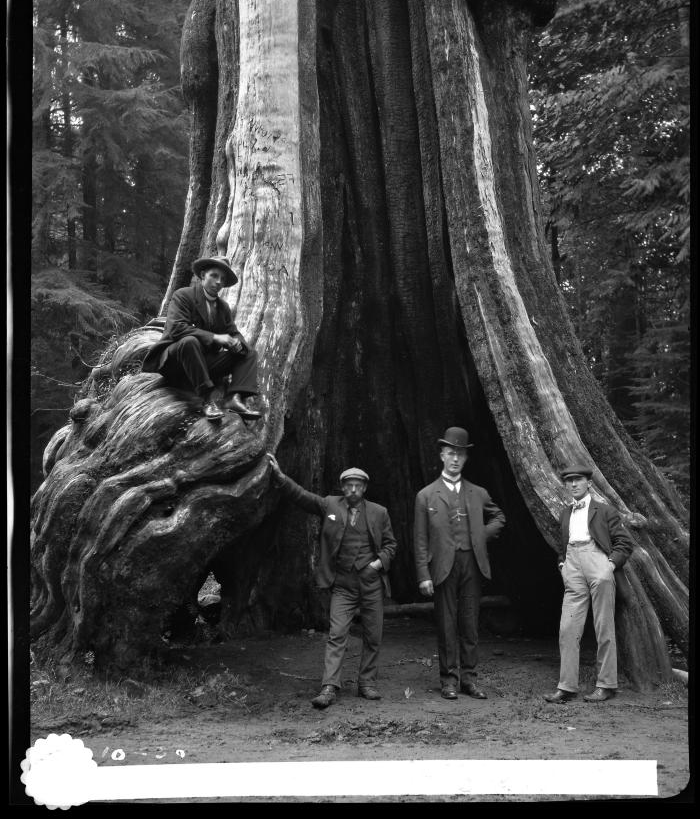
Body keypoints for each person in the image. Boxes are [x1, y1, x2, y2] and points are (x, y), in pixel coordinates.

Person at [267, 454, 397, 709]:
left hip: (371, 583)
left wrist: (378, 562)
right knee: (337, 634)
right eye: (348, 485)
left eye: (358, 485)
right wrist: (281, 478)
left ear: (365, 488)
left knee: (373, 635)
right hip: (343, 584)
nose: (353, 489)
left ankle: (367, 683)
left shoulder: (379, 512)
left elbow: (392, 544)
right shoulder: (330, 505)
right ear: (342, 487)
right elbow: (303, 497)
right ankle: (329, 686)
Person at [414, 426, 505, 700]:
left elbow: (499, 517)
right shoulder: (426, 495)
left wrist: (480, 535)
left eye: (461, 455)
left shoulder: (478, 492)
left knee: (469, 623)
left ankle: (469, 679)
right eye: (451, 453)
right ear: (442, 455)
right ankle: (449, 680)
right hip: (442, 566)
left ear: (466, 459)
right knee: (446, 624)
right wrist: (423, 574)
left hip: (472, 564)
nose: (455, 459)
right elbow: (419, 539)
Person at [544, 461, 635, 704]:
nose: (573, 484)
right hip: (573, 565)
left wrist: (609, 566)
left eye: (578, 480)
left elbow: (625, 543)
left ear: (588, 483)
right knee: (567, 628)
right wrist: (563, 565)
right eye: (569, 481)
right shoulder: (565, 513)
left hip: (599, 563)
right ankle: (567, 687)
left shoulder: (605, 511)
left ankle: (606, 685)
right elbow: (562, 545)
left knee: (603, 626)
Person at [142, 255, 261, 421]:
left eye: (222, 278)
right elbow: (177, 328)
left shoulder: (223, 307)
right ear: (203, 275)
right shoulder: (183, 295)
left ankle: (235, 399)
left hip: (203, 364)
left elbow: (232, 331)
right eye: (214, 275)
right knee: (189, 342)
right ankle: (208, 399)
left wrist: (238, 344)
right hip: (176, 363)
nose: (218, 281)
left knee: (249, 352)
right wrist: (216, 338)